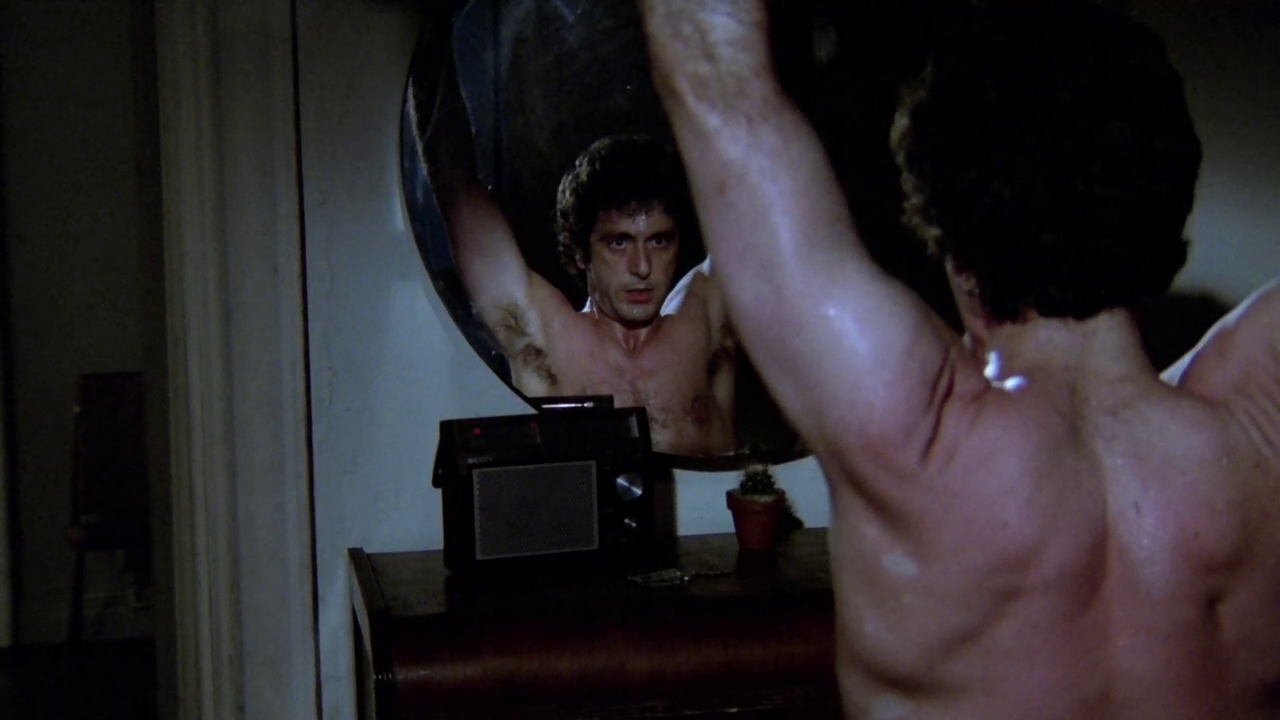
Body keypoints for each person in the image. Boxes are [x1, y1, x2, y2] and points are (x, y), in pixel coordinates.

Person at [638, 1, 1280, 718]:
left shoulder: (916, 432)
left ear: (942, 218)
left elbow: (717, 79)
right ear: (1171, 191)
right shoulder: (1257, 425)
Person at [408, 16, 735, 457]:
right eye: (619, 242)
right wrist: (426, 36)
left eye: (659, 241)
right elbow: (455, 183)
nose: (642, 267)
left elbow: (762, 180)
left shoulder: (703, 319)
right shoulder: (548, 336)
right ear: (581, 253)